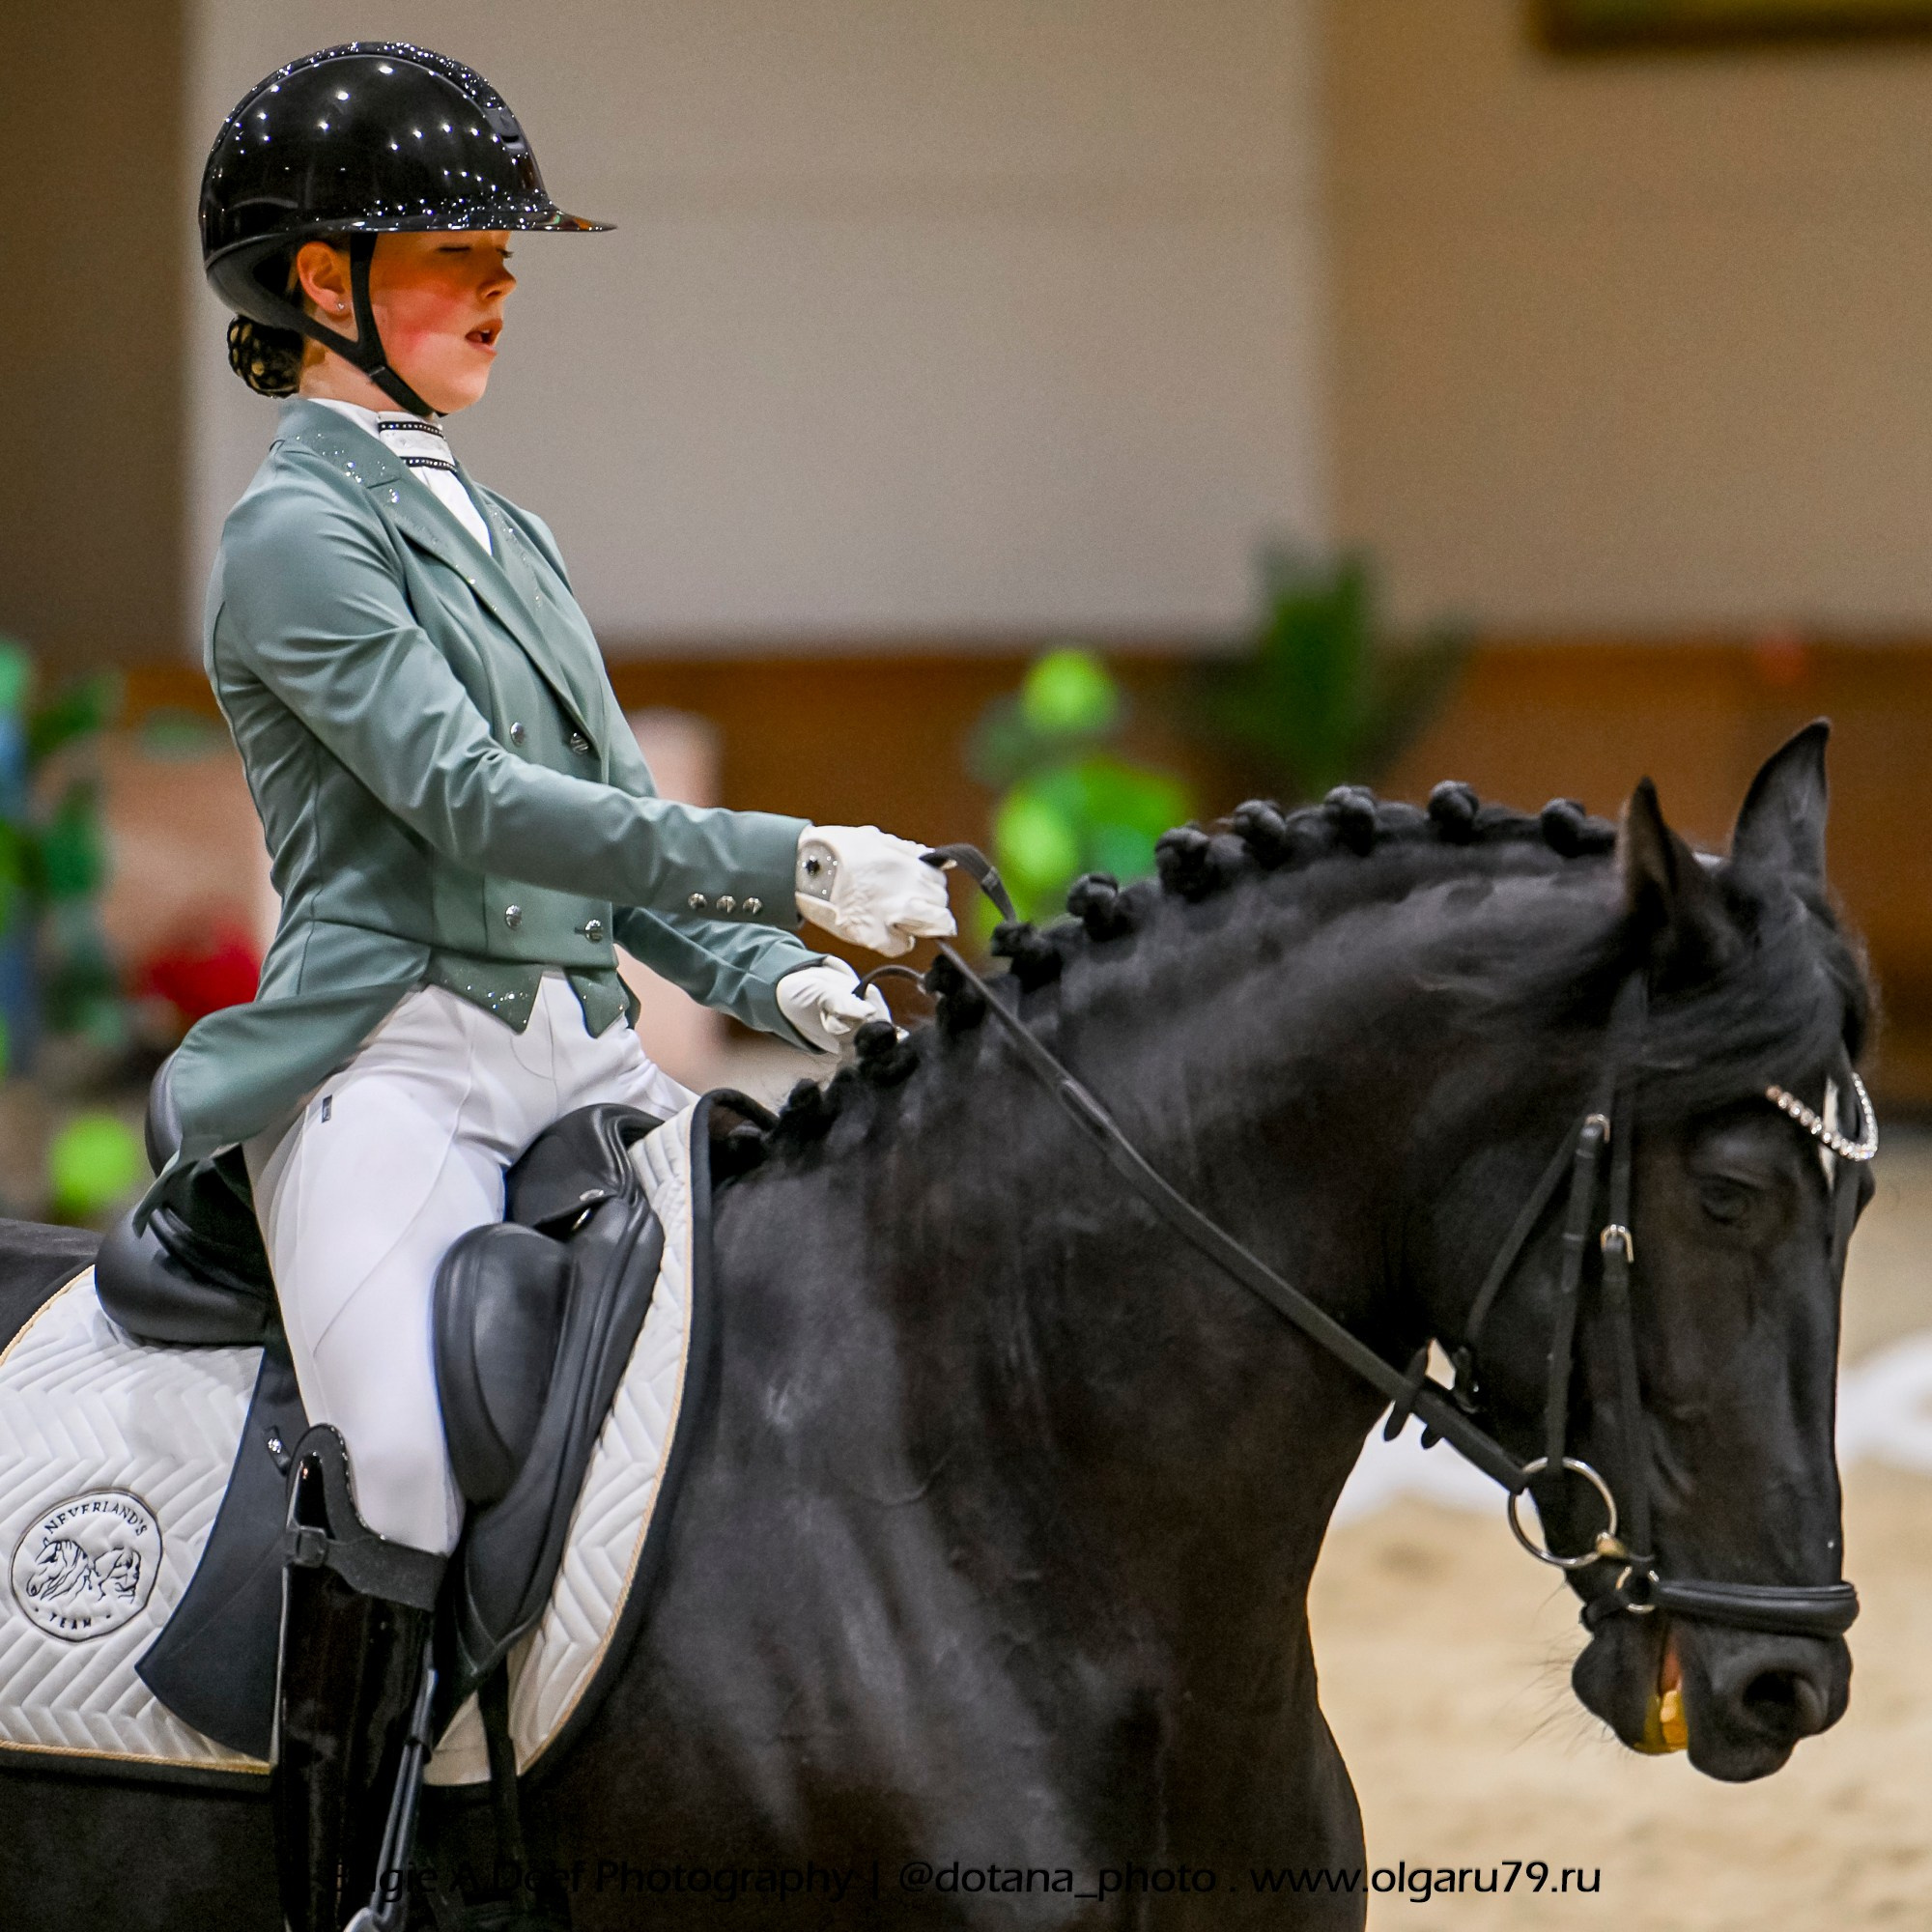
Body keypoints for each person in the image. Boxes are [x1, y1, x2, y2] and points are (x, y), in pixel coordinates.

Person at [191, 43, 955, 1931]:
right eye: (462, 252)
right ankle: (357, 1879)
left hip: (578, 1060)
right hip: (390, 1066)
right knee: (402, 1464)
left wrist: (791, 983)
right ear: (323, 283)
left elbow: (609, 823)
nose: (504, 288)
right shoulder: (293, 539)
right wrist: (786, 854)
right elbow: (471, 804)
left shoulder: (503, 531)